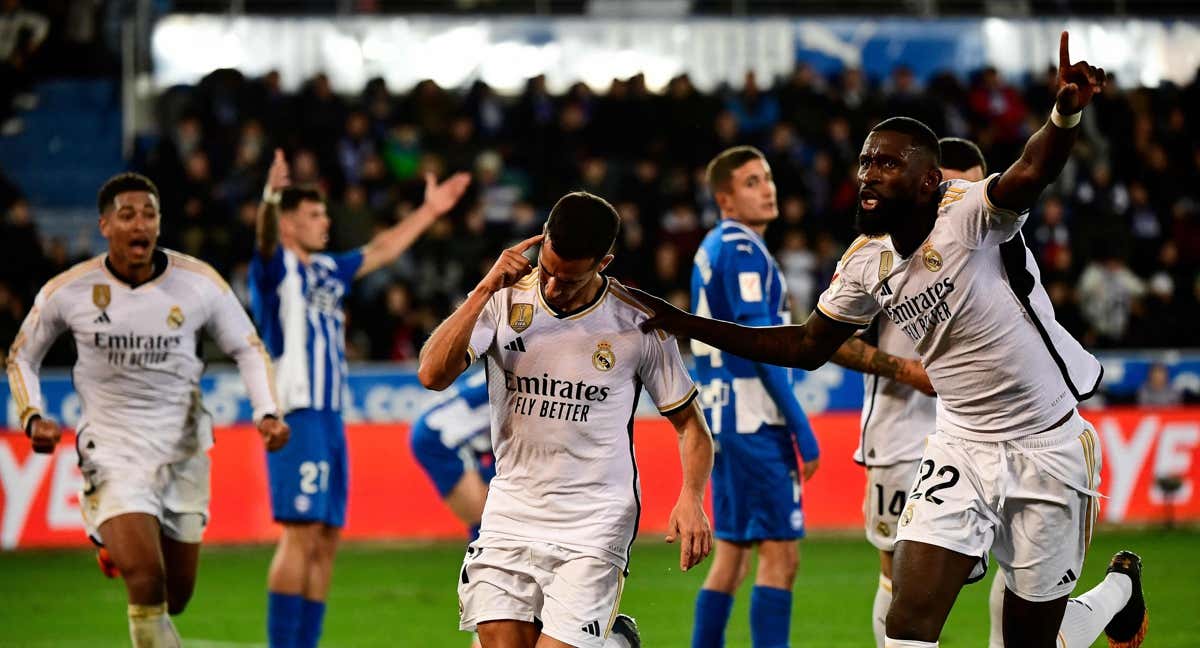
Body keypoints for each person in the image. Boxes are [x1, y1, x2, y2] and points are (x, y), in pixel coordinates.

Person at [627, 33, 1147, 648]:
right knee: (906, 626)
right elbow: (805, 346)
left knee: (1031, 642)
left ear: (930, 182)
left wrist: (1064, 113)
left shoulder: (971, 214)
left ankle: (1119, 591)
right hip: (962, 445)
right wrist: (686, 324)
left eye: (888, 163)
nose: (868, 175)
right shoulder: (866, 261)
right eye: (866, 161)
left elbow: (1033, 169)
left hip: (1047, 442)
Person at [417, 191, 713, 648]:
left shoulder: (638, 323)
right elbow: (432, 374)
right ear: (542, 242)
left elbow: (691, 425)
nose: (553, 288)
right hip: (511, 510)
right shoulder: (502, 299)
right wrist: (482, 289)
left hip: (595, 519)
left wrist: (691, 497)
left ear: (605, 262)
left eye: (570, 280)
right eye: (548, 269)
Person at [6, 172, 288, 647]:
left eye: (150, 214)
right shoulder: (70, 290)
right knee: (147, 582)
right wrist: (31, 415)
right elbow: (22, 356)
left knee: (175, 597)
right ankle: (120, 541)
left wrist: (267, 411)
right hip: (112, 449)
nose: (141, 224)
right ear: (104, 225)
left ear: (160, 223)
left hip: (184, 450)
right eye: (128, 214)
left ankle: (117, 552)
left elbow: (247, 347)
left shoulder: (198, 283)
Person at [686, 145, 930, 648]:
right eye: (752, 182)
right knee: (782, 557)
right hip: (755, 420)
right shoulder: (742, 250)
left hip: (724, 416)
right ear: (725, 199)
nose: (767, 188)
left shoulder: (712, 246)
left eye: (768, 177)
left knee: (731, 560)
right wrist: (802, 431)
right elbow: (762, 347)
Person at [251, 149, 470, 648]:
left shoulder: (327, 270)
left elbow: (382, 249)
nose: (325, 221)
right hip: (297, 415)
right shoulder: (276, 268)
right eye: (313, 214)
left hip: (330, 419)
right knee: (300, 534)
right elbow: (263, 241)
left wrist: (430, 211)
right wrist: (268, 200)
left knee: (326, 540)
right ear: (287, 223)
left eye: (325, 212)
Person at [411, 369, 643, 648]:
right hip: (462, 453)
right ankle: (608, 641)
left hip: (467, 450)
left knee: (507, 560)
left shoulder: (524, 358)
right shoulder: (539, 365)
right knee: (500, 554)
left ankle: (599, 637)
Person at [410, 369, 494, 542]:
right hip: (442, 437)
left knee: (495, 516)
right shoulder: (527, 376)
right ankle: (483, 565)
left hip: (448, 431)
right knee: (489, 520)